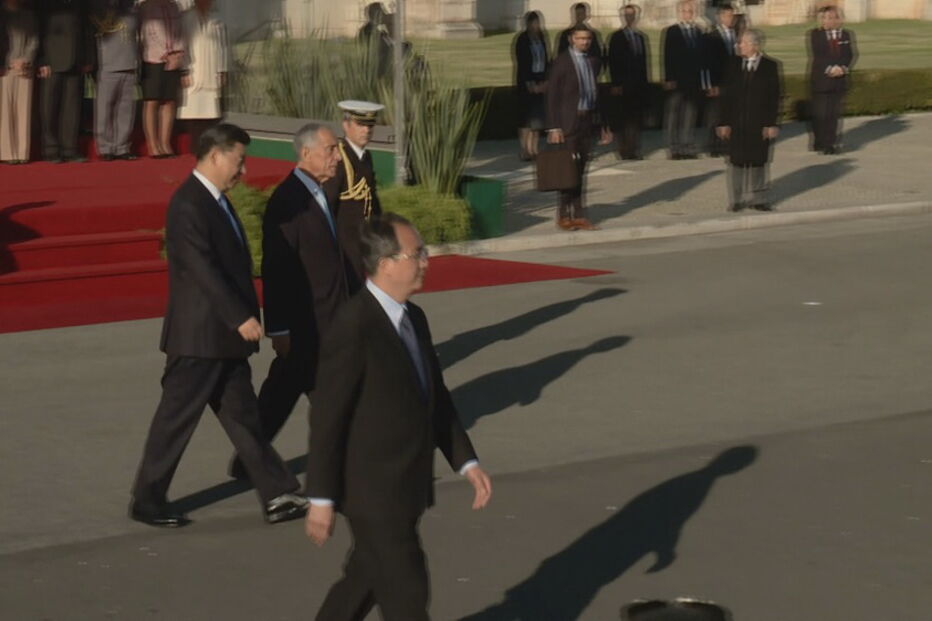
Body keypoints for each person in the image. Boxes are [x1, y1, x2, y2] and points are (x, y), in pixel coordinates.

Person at [305, 213, 493, 621]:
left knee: (364, 579)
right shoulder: (353, 325)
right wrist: (320, 496)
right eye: (418, 253)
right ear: (386, 263)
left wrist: (466, 460)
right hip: (372, 492)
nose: (426, 261)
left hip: (407, 483)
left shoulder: (415, 319)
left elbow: (435, 398)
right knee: (408, 593)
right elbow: (327, 417)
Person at [130, 123, 307, 528]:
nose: (242, 170)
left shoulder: (216, 202)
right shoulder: (188, 205)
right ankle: (147, 499)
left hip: (220, 341)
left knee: (245, 419)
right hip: (198, 339)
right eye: (238, 160)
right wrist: (239, 316)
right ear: (215, 156)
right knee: (175, 421)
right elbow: (201, 269)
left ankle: (277, 494)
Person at [228, 122, 349, 480]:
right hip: (303, 321)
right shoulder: (288, 200)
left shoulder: (319, 192)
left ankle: (249, 458)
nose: (336, 157)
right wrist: (278, 327)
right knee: (301, 390)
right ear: (306, 153)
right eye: (330, 150)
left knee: (287, 391)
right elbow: (277, 269)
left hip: (324, 317)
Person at [547, 25, 612, 232]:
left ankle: (580, 214)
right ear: (571, 39)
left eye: (587, 39)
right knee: (568, 170)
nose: (584, 42)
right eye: (580, 38)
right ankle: (564, 214)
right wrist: (554, 127)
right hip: (567, 124)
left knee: (582, 170)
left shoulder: (592, 62)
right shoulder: (562, 63)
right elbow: (552, 97)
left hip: (587, 121)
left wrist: (602, 125)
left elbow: (596, 94)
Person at [717, 30, 781, 212]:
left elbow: (774, 97)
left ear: (754, 45)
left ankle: (758, 199)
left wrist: (771, 124)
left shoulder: (770, 66)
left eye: (743, 43)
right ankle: (736, 200)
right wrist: (723, 122)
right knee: (736, 162)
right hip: (737, 123)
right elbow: (725, 96)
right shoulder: (733, 65)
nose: (739, 45)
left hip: (759, 123)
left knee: (758, 162)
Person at [326, 100, 384, 291]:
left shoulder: (365, 157)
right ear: (346, 125)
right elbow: (328, 204)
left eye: (370, 125)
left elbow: (371, 199)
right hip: (344, 245)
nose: (366, 130)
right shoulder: (340, 159)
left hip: (361, 243)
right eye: (360, 125)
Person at [36, 0, 93, 163]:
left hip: (76, 60)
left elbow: (86, 28)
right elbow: (38, 30)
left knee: (72, 107)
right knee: (49, 108)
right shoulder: (44, 4)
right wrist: (42, 60)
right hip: (52, 62)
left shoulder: (81, 3)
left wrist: (87, 57)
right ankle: (50, 150)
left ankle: (69, 149)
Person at [90, 0, 139, 161]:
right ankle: (105, 147)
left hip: (129, 63)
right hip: (107, 65)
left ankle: (122, 147)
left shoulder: (131, 9)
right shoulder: (98, 8)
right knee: (105, 109)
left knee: (125, 110)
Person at [177, 0, 228, 150]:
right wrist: (184, 70)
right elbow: (182, 44)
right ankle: (196, 145)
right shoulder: (186, 18)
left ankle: (210, 144)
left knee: (211, 112)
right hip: (193, 70)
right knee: (193, 111)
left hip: (211, 70)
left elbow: (222, 46)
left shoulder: (216, 18)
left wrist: (222, 69)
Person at [808, 5, 856, 154]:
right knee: (820, 114)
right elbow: (819, 56)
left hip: (839, 80)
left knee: (833, 114)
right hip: (821, 80)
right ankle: (819, 141)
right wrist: (830, 69)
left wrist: (842, 68)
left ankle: (829, 144)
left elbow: (850, 55)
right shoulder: (815, 34)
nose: (829, 21)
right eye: (826, 18)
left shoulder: (846, 35)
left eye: (832, 17)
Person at [139, 0, 183, 158]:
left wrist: (177, 52)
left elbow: (180, 31)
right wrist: (165, 53)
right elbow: (147, 33)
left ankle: (165, 143)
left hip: (174, 59)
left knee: (169, 101)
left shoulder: (174, 6)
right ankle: (153, 145)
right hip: (153, 58)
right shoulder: (146, 6)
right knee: (152, 101)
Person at [662, 1, 705, 159]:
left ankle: (687, 146)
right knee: (674, 114)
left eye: (691, 11)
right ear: (680, 13)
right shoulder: (672, 31)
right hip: (676, 80)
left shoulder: (699, 32)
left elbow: (702, 58)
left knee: (690, 113)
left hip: (693, 80)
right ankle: (674, 148)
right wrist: (669, 78)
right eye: (685, 11)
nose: (688, 14)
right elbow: (667, 56)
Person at [607, 4, 649, 160]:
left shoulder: (640, 37)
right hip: (623, 84)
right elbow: (613, 61)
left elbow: (644, 63)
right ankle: (624, 149)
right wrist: (615, 83)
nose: (630, 18)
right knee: (624, 118)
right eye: (627, 15)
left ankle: (634, 147)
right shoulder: (617, 37)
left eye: (632, 15)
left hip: (638, 84)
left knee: (635, 119)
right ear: (623, 17)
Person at [0, 0, 37, 165]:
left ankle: (22, 152)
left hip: (24, 68)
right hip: (5, 69)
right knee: (5, 112)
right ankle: (7, 152)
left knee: (23, 111)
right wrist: (7, 62)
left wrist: (25, 60)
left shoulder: (29, 14)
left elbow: (34, 40)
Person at [514, 11, 549, 162]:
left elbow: (546, 58)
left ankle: (534, 149)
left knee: (537, 119)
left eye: (537, 22)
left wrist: (545, 81)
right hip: (526, 81)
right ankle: (525, 149)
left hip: (540, 78)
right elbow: (522, 62)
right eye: (533, 23)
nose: (535, 26)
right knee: (525, 118)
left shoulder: (541, 37)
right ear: (528, 24)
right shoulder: (522, 39)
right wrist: (529, 83)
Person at [703, 3, 738, 157]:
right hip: (717, 82)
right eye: (727, 15)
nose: (730, 19)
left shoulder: (736, 35)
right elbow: (707, 62)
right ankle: (714, 146)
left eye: (732, 16)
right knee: (715, 115)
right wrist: (710, 84)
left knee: (729, 113)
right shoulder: (711, 37)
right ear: (720, 17)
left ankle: (727, 144)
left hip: (733, 82)